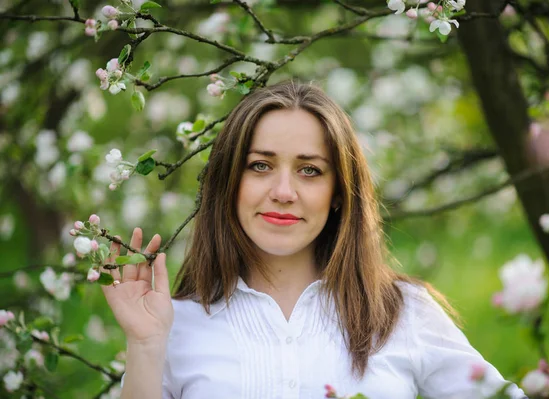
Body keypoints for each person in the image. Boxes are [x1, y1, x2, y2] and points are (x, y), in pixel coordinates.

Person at [101, 81, 527, 399]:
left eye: (310, 170)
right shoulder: (174, 328)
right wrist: (145, 345)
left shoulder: (402, 313)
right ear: (230, 182)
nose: (284, 191)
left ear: (339, 191)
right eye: (260, 165)